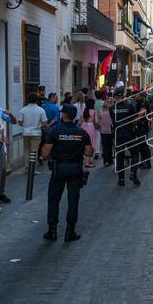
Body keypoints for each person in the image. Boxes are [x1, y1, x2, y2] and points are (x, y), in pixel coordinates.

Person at [40, 104, 93, 242]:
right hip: (75, 169)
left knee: (54, 199)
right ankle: (70, 231)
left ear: (64, 115)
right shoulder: (81, 132)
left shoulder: (55, 131)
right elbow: (89, 152)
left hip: (59, 169)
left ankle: (52, 230)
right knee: (73, 200)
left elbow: (45, 153)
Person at [112, 94, 138, 186]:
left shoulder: (112, 108)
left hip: (118, 134)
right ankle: (133, 173)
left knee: (119, 156)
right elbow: (134, 119)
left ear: (115, 97)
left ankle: (121, 179)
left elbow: (113, 120)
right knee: (135, 153)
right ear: (123, 97)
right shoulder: (130, 106)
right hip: (129, 133)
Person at [19, 93, 47, 163]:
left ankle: (27, 167)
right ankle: (32, 167)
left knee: (26, 150)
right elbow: (44, 123)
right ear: (37, 100)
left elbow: (19, 122)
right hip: (36, 133)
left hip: (26, 133)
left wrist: (25, 126)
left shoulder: (23, 110)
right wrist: (40, 126)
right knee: (34, 151)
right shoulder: (41, 110)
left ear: (28, 100)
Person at [80, 103, 99, 168]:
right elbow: (96, 121)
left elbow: (80, 121)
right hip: (91, 127)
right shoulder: (94, 111)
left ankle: (85, 160)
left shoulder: (83, 111)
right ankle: (89, 162)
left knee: (83, 143)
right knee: (91, 143)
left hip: (83, 127)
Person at [98, 94, 115, 167]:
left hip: (103, 130)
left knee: (104, 146)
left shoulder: (100, 111)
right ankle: (110, 160)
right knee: (110, 145)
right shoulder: (111, 111)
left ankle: (105, 161)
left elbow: (98, 121)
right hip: (110, 130)